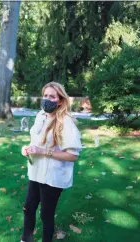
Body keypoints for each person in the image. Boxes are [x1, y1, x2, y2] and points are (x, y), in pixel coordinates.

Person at [20, 82, 82, 242]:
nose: (47, 99)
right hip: (36, 172)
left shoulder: (66, 122)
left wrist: (43, 152)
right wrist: (27, 149)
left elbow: (73, 155)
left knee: (46, 215)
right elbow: (35, 140)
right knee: (28, 208)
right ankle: (26, 239)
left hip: (53, 177)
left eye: (52, 97)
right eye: (45, 95)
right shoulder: (41, 115)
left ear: (60, 100)